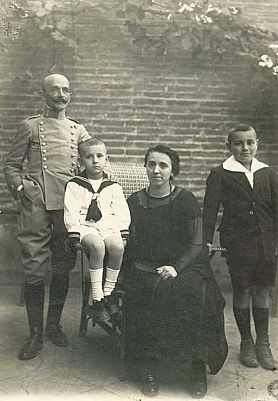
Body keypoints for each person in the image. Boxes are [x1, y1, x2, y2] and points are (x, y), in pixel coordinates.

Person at [123, 144, 228, 398]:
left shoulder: (185, 200)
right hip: (146, 266)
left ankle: (196, 367)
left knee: (197, 293)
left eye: (163, 165)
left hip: (186, 265)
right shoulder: (133, 201)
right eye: (151, 164)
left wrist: (176, 267)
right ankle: (150, 367)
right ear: (145, 167)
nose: (156, 170)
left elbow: (196, 243)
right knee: (147, 292)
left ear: (172, 171)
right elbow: (127, 239)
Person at [3, 73, 91, 360]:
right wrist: (21, 189)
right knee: (34, 268)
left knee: (63, 266)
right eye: (55, 90)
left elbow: (96, 160)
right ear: (43, 94)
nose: (61, 95)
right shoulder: (30, 126)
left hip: (67, 207)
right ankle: (35, 333)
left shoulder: (79, 131)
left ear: (71, 95)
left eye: (66, 90)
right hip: (37, 204)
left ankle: (53, 325)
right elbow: (12, 165)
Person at [203, 124, 278, 371]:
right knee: (242, 290)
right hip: (237, 242)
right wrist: (206, 240)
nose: (245, 147)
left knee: (262, 291)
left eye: (250, 142)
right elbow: (210, 209)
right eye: (239, 143)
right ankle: (247, 342)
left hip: (266, 242)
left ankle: (264, 343)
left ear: (257, 143)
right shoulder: (221, 173)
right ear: (229, 147)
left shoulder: (267, 173)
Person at [64, 138, 130, 322]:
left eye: (100, 156)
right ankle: (97, 297)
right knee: (97, 246)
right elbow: (71, 210)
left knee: (117, 247)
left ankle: (108, 293)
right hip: (86, 226)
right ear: (80, 161)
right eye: (89, 157)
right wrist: (74, 232)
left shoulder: (113, 186)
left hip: (107, 225)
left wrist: (123, 231)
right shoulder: (75, 184)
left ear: (106, 159)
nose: (95, 160)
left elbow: (121, 211)